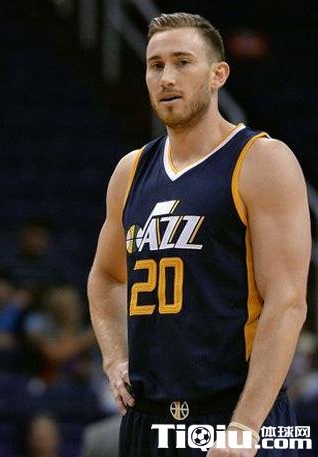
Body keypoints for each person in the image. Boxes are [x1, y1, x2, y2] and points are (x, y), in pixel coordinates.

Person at [87, 13, 309, 457]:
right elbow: (106, 277)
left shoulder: (261, 160)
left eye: (182, 62)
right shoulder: (130, 171)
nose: (166, 77)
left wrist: (245, 426)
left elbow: (287, 302)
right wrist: (114, 358)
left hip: (235, 414)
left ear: (217, 74)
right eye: (155, 65)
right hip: (148, 418)